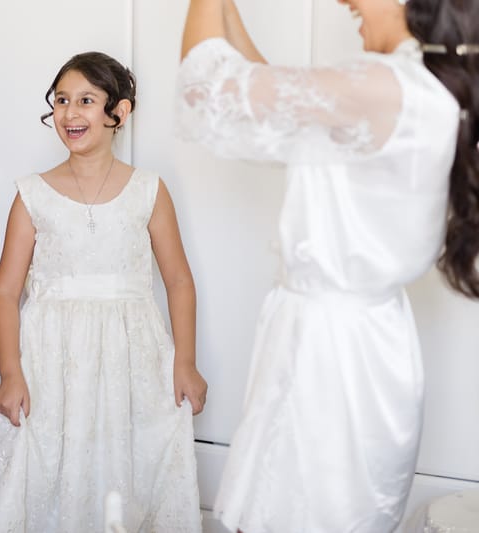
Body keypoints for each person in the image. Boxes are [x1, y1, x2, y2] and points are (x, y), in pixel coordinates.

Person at [177, 0, 479, 531]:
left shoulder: (381, 85)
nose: (345, 1)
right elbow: (272, 101)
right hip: (362, 345)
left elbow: (208, 97)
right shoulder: (414, 88)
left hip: (331, 359)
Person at [0, 51, 208, 533]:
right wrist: (11, 373)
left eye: (86, 101)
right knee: (45, 467)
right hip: (49, 362)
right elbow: (5, 292)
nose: (70, 113)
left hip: (131, 360)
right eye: (62, 101)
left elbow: (178, 279)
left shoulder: (149, 190)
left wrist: (185, 362)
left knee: (128, 469)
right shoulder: (32, 194)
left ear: (120, 112)